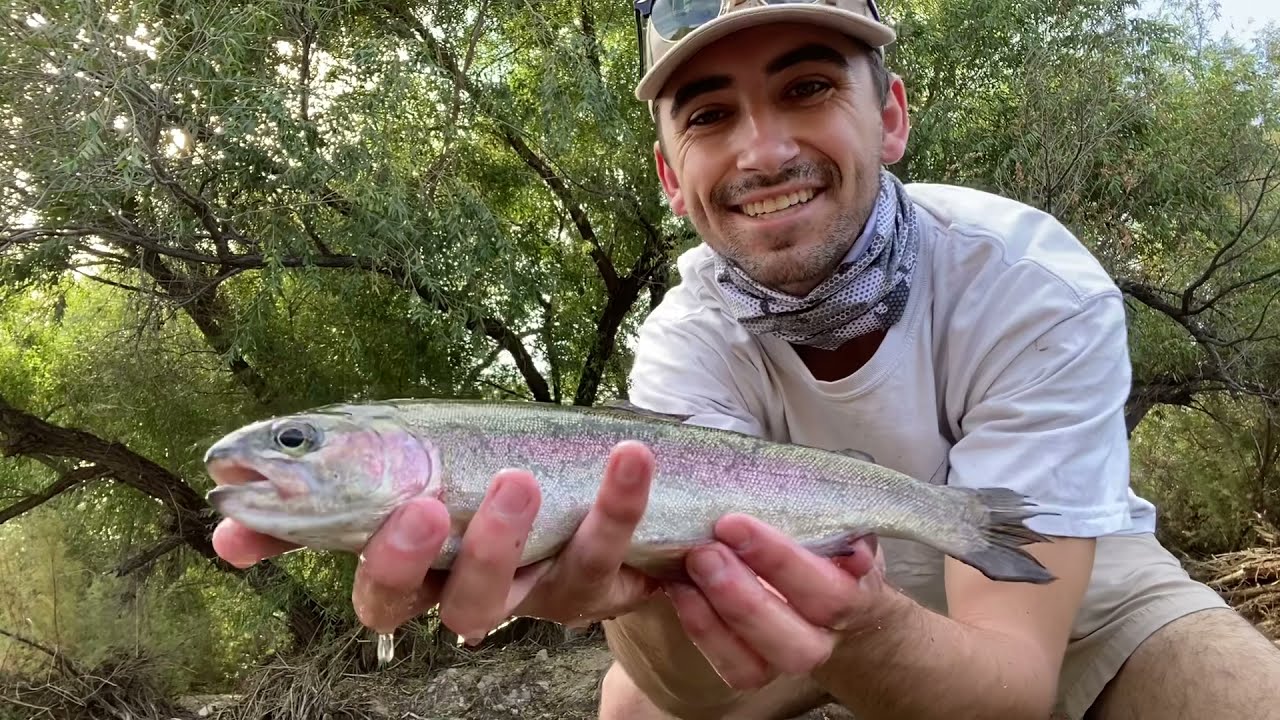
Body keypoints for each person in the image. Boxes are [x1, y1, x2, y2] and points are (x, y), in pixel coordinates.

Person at [212, 1, 1280, 718]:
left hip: (1059, 579)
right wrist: (633, 594)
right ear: (671, 179)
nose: (762, 150)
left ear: (890, 117)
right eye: (711, 114)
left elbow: (1005, 691)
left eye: (807, 87)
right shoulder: (685, 336)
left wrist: (862, 624)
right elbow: (691, 689)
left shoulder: (1031, 282)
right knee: (635, 704)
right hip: (773, 582)